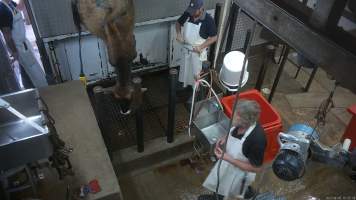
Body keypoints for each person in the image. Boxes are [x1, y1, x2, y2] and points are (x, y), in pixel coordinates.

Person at [199, 100, 267, 200]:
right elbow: (233, 130)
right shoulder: (241, 124)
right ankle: (246, 193)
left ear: (246, 120)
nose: (233, 116)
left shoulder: (257, 139)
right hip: (228, 165)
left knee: (229, 194)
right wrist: (225, 137)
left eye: (237, 115)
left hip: (239, 174)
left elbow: (256, 168)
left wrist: (228, 158)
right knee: (222, 182)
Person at [0, 0, 48, 88]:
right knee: (33, 71)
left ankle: (32, 88)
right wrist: (14, 52)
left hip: (23, 42)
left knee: (29, 68)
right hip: (18, 45)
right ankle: (44, 90)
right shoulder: (3, 9)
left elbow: (20, 8)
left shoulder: (10, 3)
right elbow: (7, 35)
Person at [176, 0, 217, 88]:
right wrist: (178, 34)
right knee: (185, 71)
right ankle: (185, 86)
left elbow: (214, 38)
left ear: (201, 9)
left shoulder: (208, 20)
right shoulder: (188, 14)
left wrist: (201, 46)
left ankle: (195, 93)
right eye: (191, 10)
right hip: (186, 51)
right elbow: (178, 23)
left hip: (197, 54)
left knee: (196, 75)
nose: (191, 13)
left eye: (194, 10)